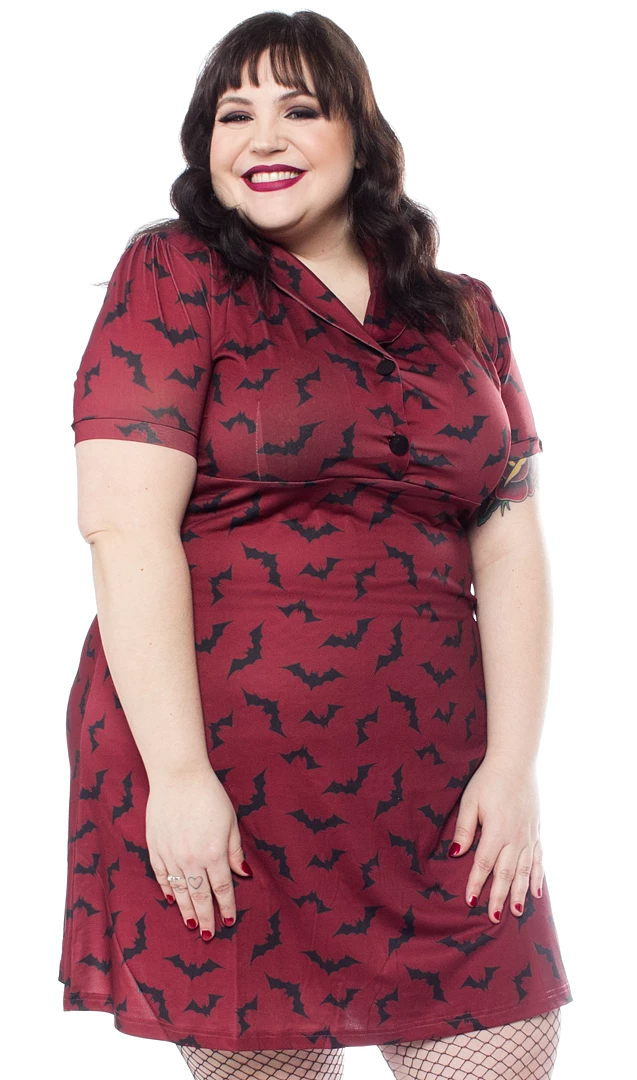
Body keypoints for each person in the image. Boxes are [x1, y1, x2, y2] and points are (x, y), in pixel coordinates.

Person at [59, 10, 573, 1080]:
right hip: (226, 777)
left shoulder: (464, 314)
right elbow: (123, 526)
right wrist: (179, 777)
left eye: (298, 108)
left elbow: (510, 543)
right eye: (232, 114)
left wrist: (513, 766)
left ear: (360, 137)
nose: (263, 137)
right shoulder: (174, 274)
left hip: (443, 785)